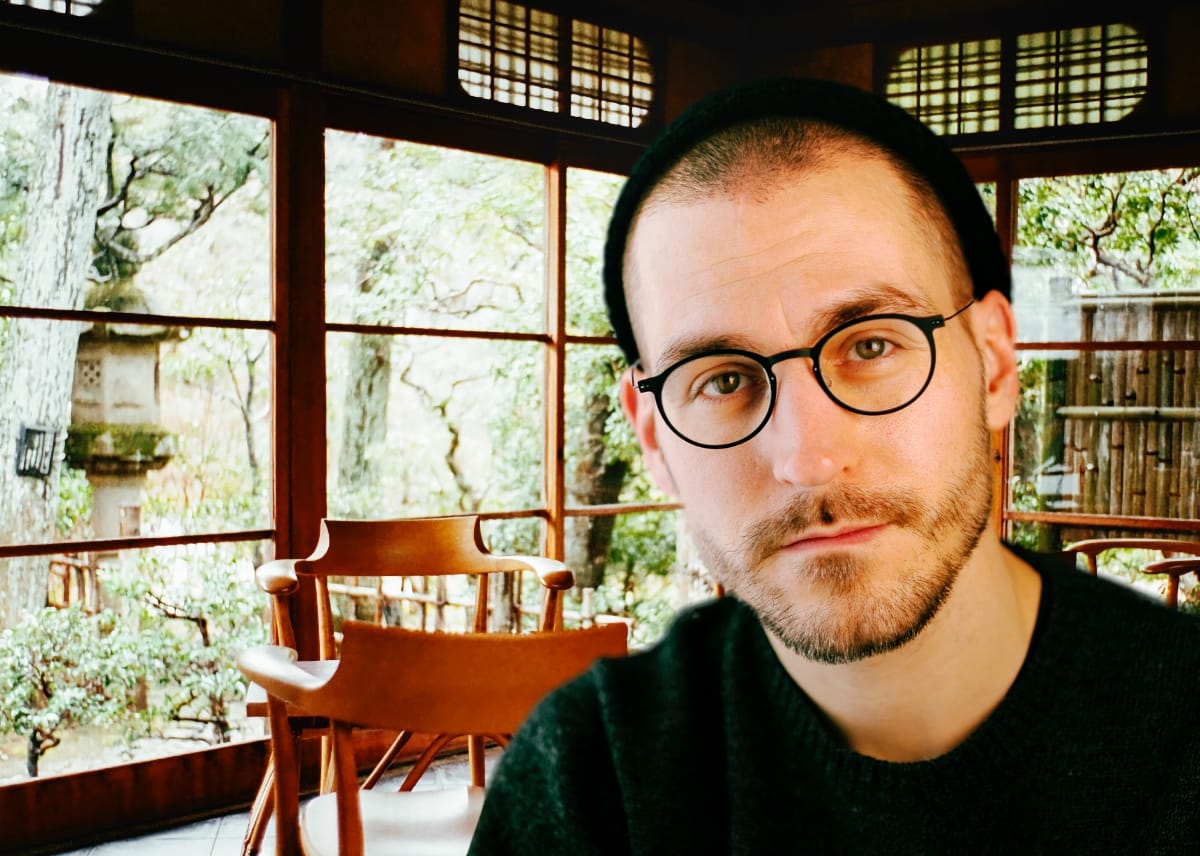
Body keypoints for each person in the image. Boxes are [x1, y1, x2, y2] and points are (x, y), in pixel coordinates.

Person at [468, 78, 1200, 854]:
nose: (809, 459)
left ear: (992, 363)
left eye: (872, 345)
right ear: (653, 437)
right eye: (724, 380)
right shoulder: (592, 778)